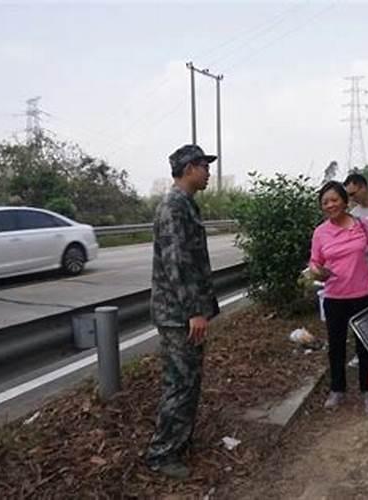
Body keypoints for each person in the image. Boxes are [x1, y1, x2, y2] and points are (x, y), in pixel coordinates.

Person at [146, 144, 220, 479]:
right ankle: (162, 455)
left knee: (189, 381)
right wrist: (194, 312)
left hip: (185, 312)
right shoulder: (173, 207)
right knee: (179, 383)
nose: (208, 171)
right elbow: (177, 263)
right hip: (179, 315)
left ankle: (179, 442)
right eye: (204, 165)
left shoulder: (186, 204)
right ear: (190, 168)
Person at [310, 181, 368, 414]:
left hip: (365, 293)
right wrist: (316, 270)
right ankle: (337, 389)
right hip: (335, 296)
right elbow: (315, 261)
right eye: (325, 202)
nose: (330, 205)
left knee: (366, 346)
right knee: (336, 346)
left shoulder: (362, 226)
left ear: (345, 201)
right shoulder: (320, 232)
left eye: (334, 200)